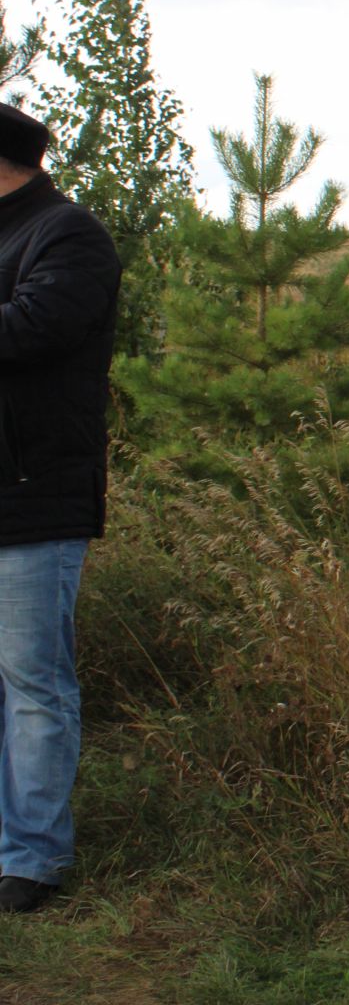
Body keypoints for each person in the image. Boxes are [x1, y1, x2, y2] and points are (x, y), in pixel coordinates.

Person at [0, 103, 121, 916]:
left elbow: (30, 328)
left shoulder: (70, 235)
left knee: (33, 684)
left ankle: (33, 860)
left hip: (33, 497)